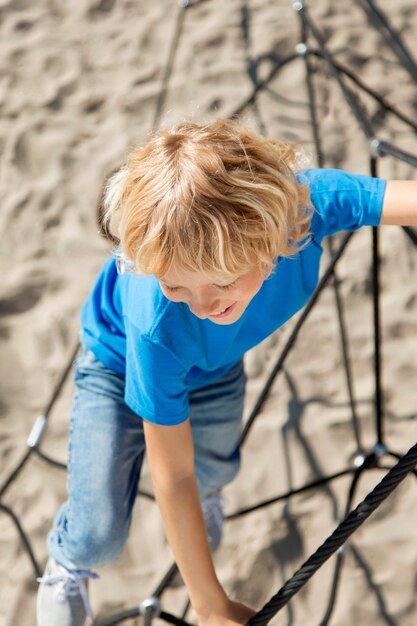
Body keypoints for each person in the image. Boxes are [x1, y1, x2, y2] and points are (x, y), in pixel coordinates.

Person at [36, 118, 416, 626]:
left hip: (212, 367)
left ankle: (204, 512)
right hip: (118, 360)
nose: (201, 304)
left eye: (220, 281)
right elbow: (173, 474)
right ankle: (67, 562)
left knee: (216, 472)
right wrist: (209, 604)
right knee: (99, 533)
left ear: (268, 236)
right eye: (176, 286)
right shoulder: (160, 323)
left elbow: (399, 198)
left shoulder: (303, 210)